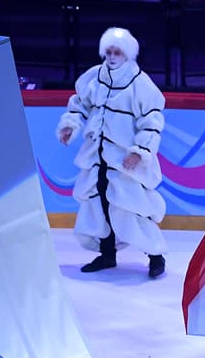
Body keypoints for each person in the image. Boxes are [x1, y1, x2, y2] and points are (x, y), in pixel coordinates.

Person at [56, 28, 168, 278]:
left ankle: (155, 255)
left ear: (127, 54)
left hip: (125, 160)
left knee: (133, 207)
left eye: (117, 52)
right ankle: (107, 255)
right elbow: (79, 105)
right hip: (97, 157)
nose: (112, 56)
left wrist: (139, 151)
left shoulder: (140, 83)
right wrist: (69, 126)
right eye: (109, 51)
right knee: (100, 205)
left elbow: (151, 120)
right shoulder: (94, 77)